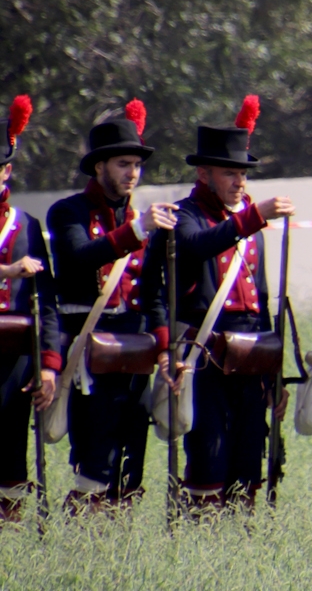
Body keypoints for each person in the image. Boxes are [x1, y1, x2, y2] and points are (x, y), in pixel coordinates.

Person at [47, 100, 177, 514]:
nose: (132, 173)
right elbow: (80, 256)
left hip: (134, 352)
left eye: (136, 165)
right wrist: (137, 230)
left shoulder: (144, 221)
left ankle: (114, 533)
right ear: (99, 166)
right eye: (123, 164)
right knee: (95, 455)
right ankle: (85, 530)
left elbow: (152, 293)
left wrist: (164, 347)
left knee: (131, 457)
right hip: (89, 350)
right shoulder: (67, 212)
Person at [166, 95, 293, 514]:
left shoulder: (247, 224)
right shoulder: (186, 216)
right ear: (204, 174)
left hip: (253, 355)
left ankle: (240, 539)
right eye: (229, 173)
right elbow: (196, 245)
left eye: (242, 173)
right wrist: (251, 218)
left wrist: (275, 371)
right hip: (206, 353)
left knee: (247, 458)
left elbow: (264, 304)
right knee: (207, 458)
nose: (239, 181)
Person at [0, 96, 61, 524]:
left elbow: (47, 302)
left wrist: (49, 366)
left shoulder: (27, 225)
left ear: (7, 170)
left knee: (10, 453)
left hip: (14, 361)